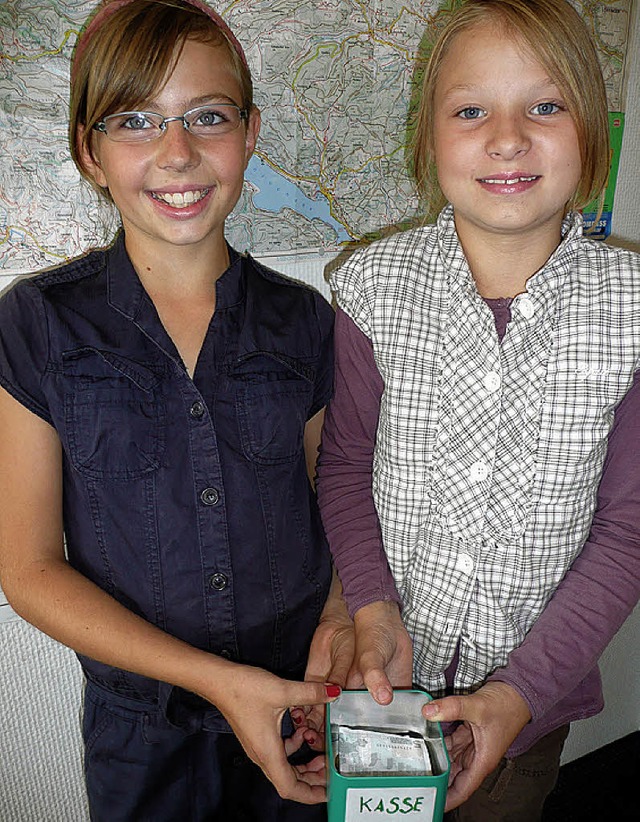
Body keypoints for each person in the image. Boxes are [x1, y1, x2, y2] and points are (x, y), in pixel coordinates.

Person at [0, 1, 350, 819]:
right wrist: (221, 684)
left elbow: (337, 505)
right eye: (135, 120)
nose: (179, 152)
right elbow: (27, 569)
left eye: (208, 116)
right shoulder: (36, 325)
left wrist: (340, 623)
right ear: (90, 152)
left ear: (250, 132)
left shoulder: (307, 322)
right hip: (142, 731)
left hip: (302, 702)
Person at [315, 0, 640, 819]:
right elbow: (347, 465)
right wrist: (371, 606)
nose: (507, 136)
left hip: (528, 711)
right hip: (382, 688)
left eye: (545, 105)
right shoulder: (373, 288)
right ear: (428, 138)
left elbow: (627, 529)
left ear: (591, 133)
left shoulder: (632, 310)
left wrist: (520, 693)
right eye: (470, 110)